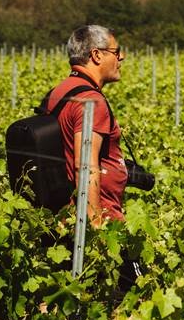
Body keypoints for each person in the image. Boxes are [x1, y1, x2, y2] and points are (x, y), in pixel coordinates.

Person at [45, 24, 128, 226]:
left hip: (66, 216)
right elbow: (85, 167)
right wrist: (95, 226)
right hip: (99, 221)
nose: (122, 57)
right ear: (97, 55)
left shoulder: (59, 91)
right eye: (116, 52)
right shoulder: (91, 101)